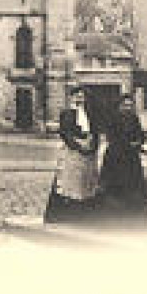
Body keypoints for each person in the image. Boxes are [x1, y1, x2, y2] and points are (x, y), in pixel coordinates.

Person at [44, 85, 99, 224]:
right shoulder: (67, 113)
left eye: (82, 96)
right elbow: (65, 132)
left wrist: (92, 145)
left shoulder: (90, 113)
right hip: (73, 150)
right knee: (70, 182)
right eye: (77, 96)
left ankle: (85, 213)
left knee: (86, 182)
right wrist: (77, 145)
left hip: (88, 151)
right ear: (72, 97)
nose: (80, 99)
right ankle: (69, 214)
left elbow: (95, 130)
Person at [97, 94, 147, 225]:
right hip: (116, 158)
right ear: (119, 106)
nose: (127, 108)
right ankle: (114, 217)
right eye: (125, 105)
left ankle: (132, 216)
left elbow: (141, 135)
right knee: (115, 186)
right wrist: (128, 144)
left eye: (130, 105)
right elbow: (112, 138)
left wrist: (138, 143)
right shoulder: (112, 119)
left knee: (132, 187)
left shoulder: (134, 118)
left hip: (131, 159)